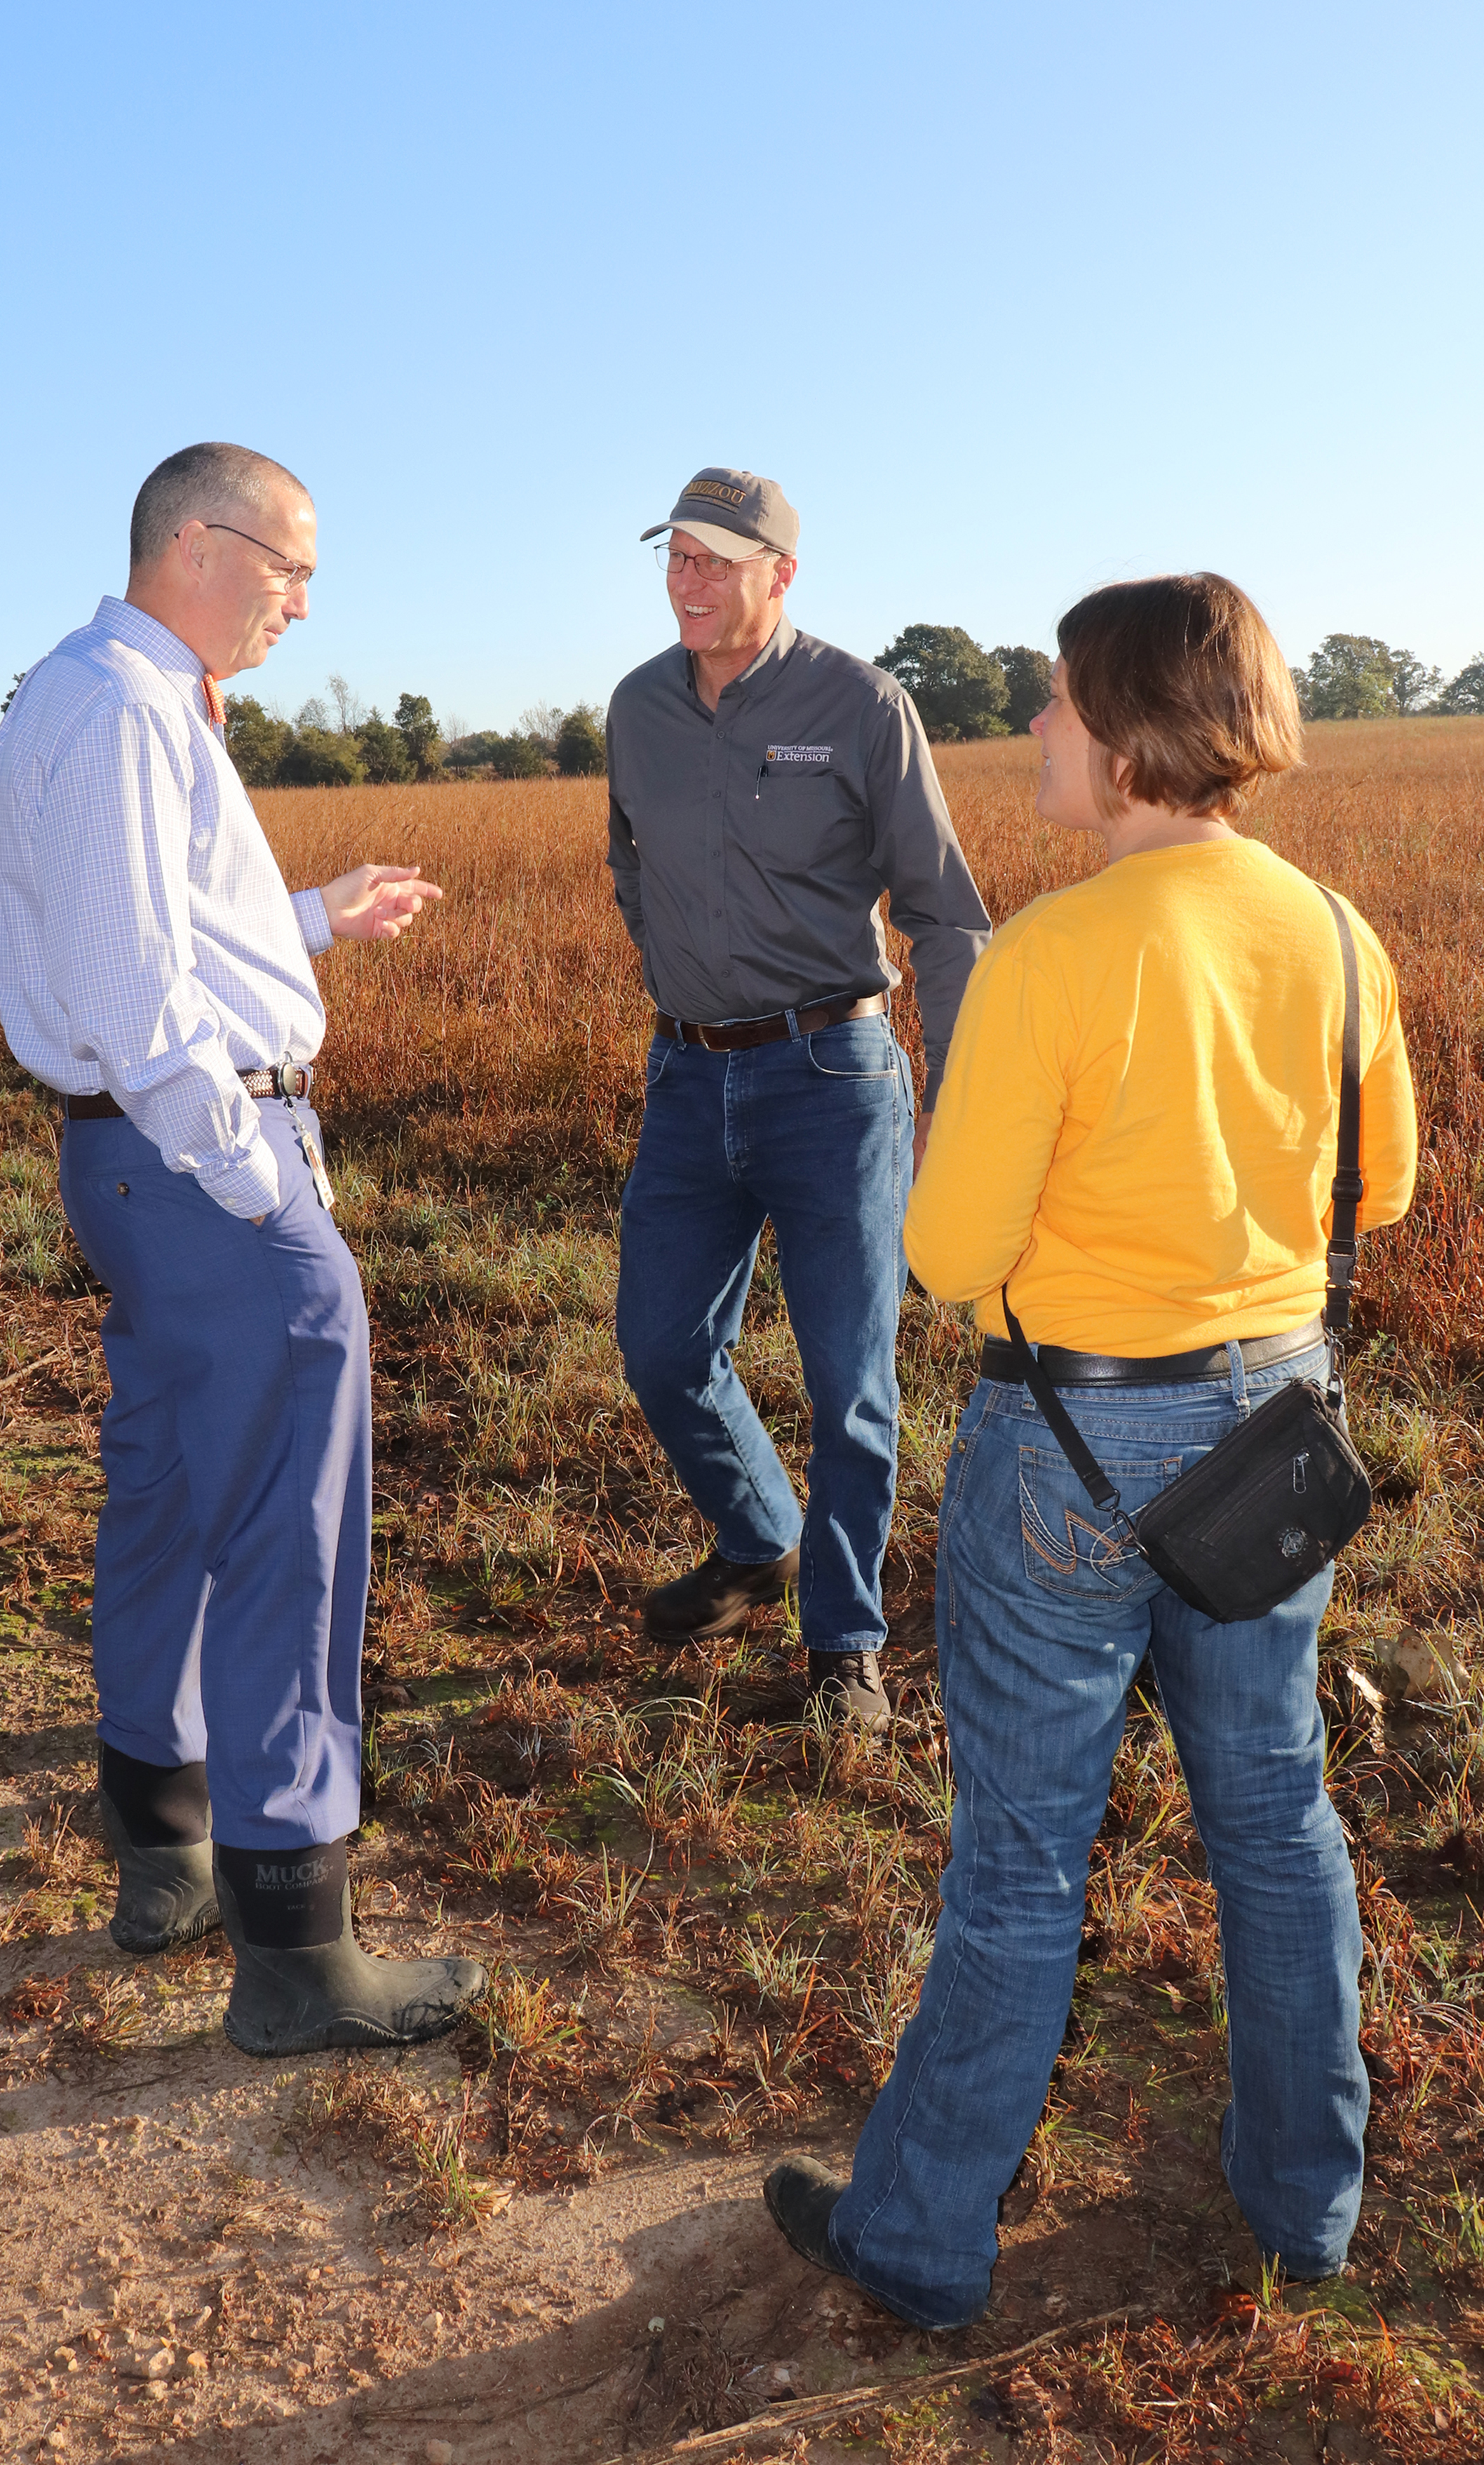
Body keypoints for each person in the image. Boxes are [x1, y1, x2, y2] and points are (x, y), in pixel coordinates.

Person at [763, 573, 1417, 2320]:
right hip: (1268, 1434)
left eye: (1054, 700)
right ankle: (1306, 2203)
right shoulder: (1340, 935)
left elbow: (949, 1254)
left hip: (1068, 1441)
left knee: (1020, 1858)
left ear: (1127, 735)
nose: (1033, 727)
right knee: (1275, 1815)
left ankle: (915, 2237)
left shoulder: (1051, 953)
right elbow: (1388, 1184)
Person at [0, 441, 485, 2057]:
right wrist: (264, 1183)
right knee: (291, 1530)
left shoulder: (90, 691)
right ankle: (296, 1946)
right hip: (201, 1169)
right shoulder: (133, 708)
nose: (301, 599)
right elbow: (138, 1001)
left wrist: (315, 917)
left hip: (127, 1171)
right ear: (197, 546)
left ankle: (165, 1839)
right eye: (291, 566)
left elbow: (154, 926)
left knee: (173, 1490)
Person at [607, 468, 991, 1731]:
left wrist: (968, 1095)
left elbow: (942, 910)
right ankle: (757, 1535)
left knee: (850, 1384)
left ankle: (845, 1648)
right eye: (677, 556)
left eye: (719, 559)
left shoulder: (862, 705)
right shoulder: (638, 708)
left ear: (782, 574)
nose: (689, 580)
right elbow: (633, 868)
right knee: (661, 1346)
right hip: (686, 1073)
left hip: (834, 1079)